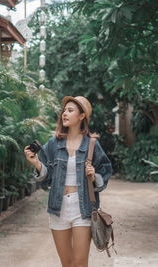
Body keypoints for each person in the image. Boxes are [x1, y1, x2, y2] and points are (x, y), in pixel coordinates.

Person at [24, 96, 113, 267]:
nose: (65, 113)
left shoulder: (92, 145)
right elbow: (46, 179)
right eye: (64, 110)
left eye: (70, 110)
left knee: (79, 263)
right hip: (58, 207)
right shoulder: (53, 144)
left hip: (83, 208)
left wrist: (94, 176)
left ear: (81, 116)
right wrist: (36, 163)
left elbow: (105, 170)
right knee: (67, 263)